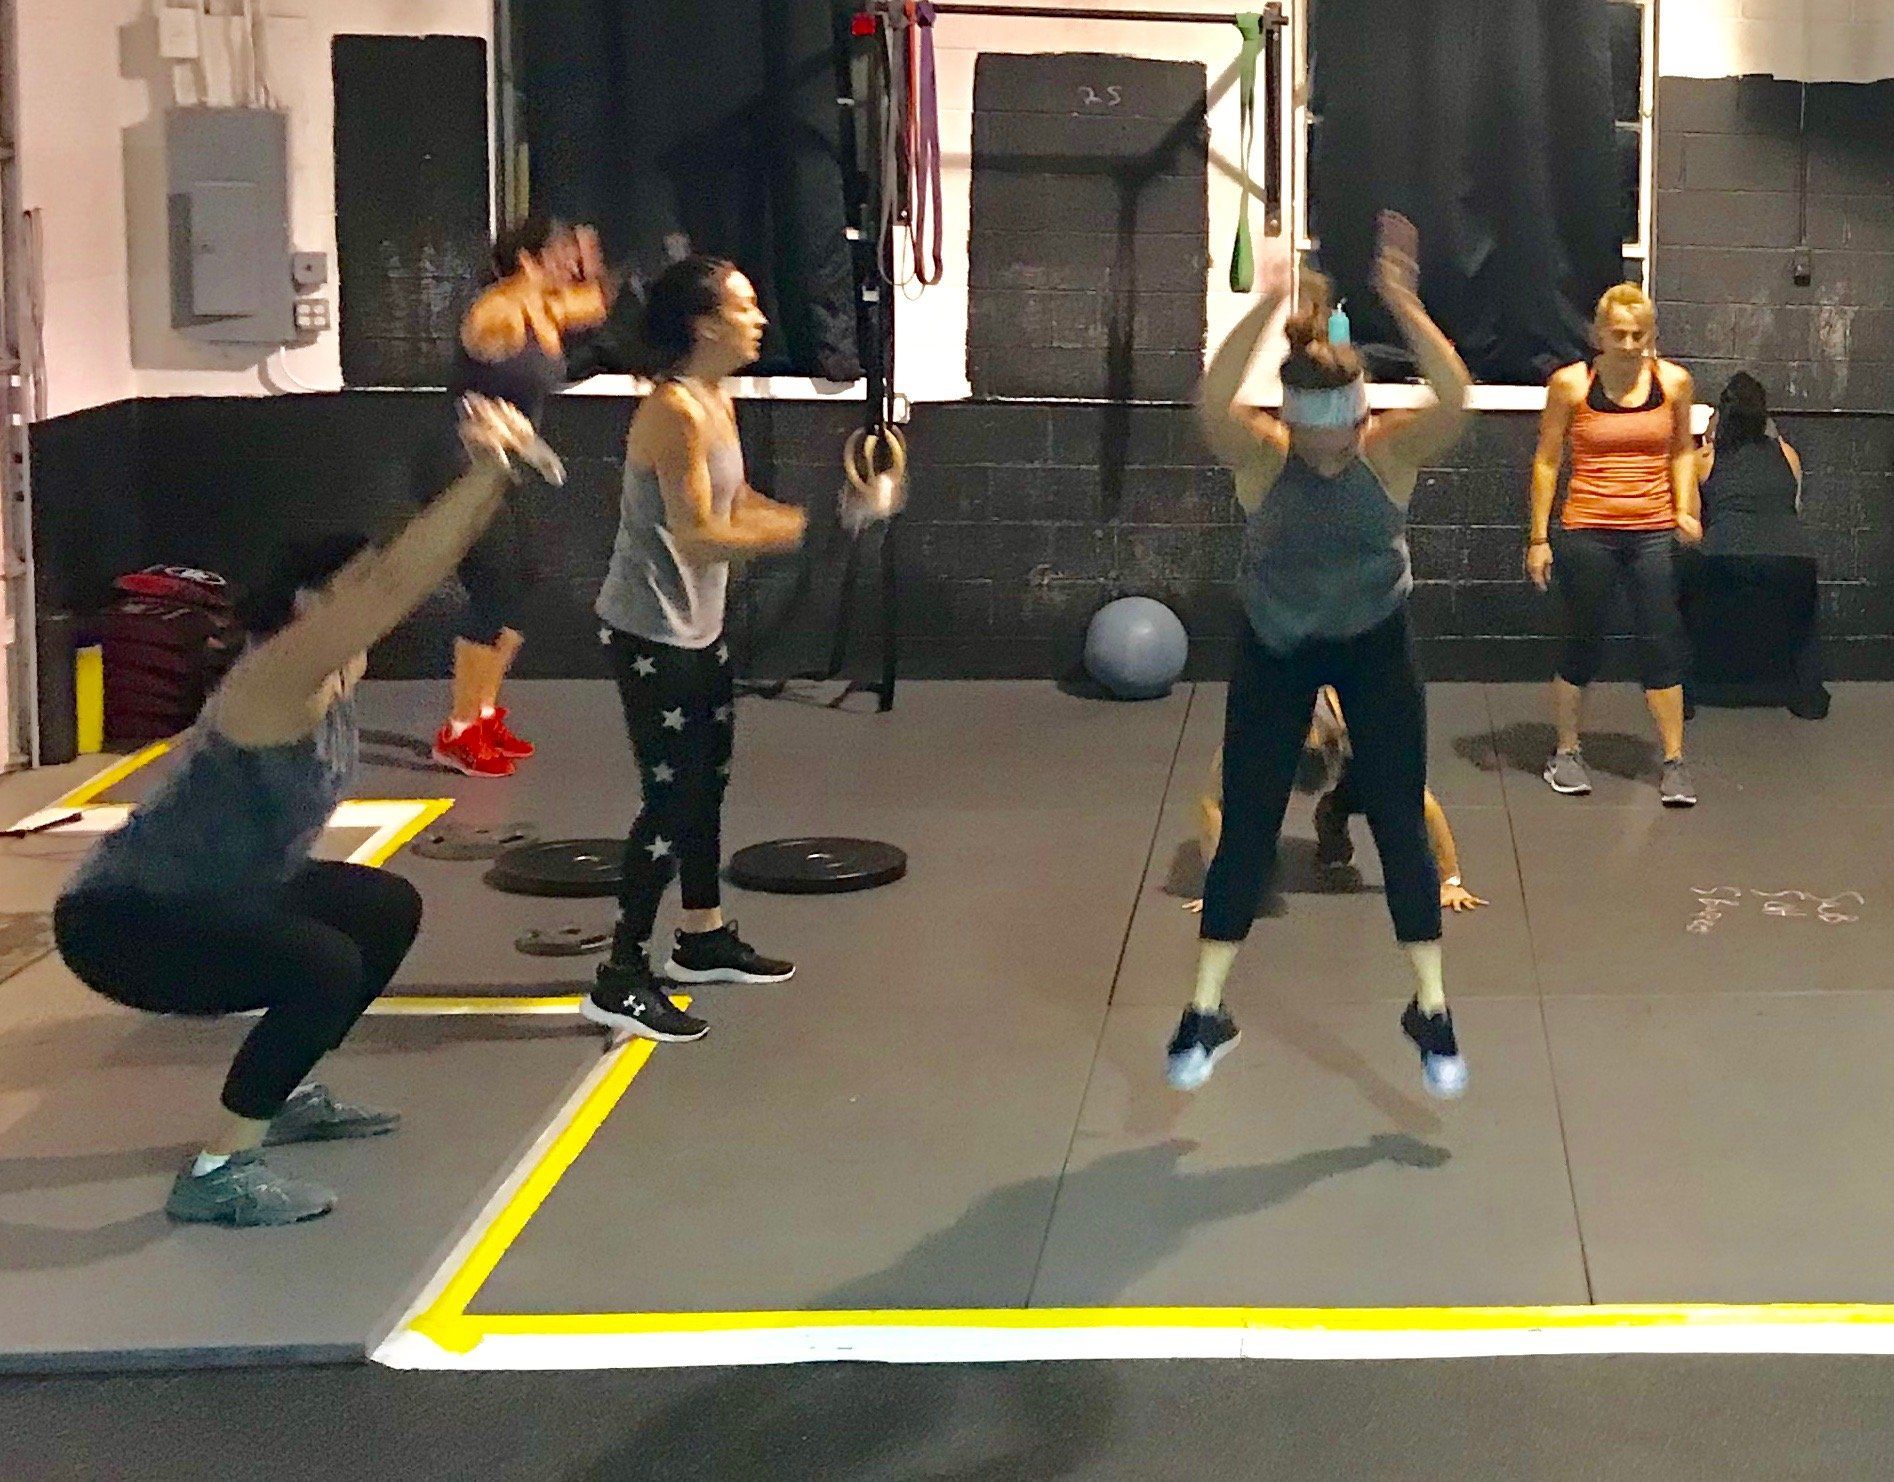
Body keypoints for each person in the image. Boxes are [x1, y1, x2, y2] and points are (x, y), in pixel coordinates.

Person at [53, 397, 556, 1227]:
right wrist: (487, 471)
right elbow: (401, 579)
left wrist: (491, 494)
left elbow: (406, 576)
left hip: (228, 892)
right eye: (356, 589)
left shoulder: (335, 674)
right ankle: (217, 1171)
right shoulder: (274, 680)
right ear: (305, 607)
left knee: (383, 906)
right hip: (127, 922)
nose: (382, 598)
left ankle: (276, 1095)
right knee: (323, 962)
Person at [1169, 211, 1473, 1095]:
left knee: (1400, 820)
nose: (1324, 446)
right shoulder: (1265, 457)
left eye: (1336, 428)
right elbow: (1208, 400)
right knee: (1248, 828)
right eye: (1309, 428)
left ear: (1360, 414)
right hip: (1276, 646)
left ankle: (1432, 1008)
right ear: (1292, 418)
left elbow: (1452, 394)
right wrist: (1267, 306)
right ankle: (1205, 1010)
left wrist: (1403, 304)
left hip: (1375, 643)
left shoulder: (1388, 453)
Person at [583, 256, 809, 1046]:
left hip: (697, 629)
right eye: (745, 308)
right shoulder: (674, 411)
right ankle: (618, 977)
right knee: (668, 800)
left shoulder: (718, 396)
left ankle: (701, 936)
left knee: (706, 782)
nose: (760, 320)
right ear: (706, 324)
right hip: (651, 632)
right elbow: (700, 536)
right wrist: (805, 532)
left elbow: (735, 501)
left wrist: (798, 516)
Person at [425, 217, 612, 778]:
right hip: (461, 461)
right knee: (494, 584)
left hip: (504, 465)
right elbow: (480, 343)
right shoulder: (497, 311)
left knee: (523, 580)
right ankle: (457, 732)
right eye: (557, 255)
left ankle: (483, 714)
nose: (567, 266)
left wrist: (592, 258)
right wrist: (483, 410)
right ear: (528, 260)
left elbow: (598, 304)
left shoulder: (545, 309)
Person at [1526, 284, 1702, 806]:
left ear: (1651, 335)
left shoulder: (1673, 383)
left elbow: (1681, 451)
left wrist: (1685, 507)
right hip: (1587, 528)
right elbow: (1547, 462)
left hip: (1652, 530)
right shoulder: (1571, 386)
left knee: (1662, 643)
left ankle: (1673, 761)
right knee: (1582, 640)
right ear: (1598, 334)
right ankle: (1566, 751)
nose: (1628, 345)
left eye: (1638, 335)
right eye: (1618, 334)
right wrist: (1539, 537)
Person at [1191, 687, 1488, 917]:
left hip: (1347, 753)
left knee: (1382, 792)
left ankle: (1333, 812)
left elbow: (1421, 801)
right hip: (1275, 765)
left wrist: (1449, 881)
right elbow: (1212, 804)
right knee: (1250, 825)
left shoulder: (1360, 731)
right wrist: (1220, 886)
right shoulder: (1255, 734)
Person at [1679, 371, 1829, 719]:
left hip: (1725, 560)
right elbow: (1793, 508)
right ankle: (1808, 695)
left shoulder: (1704, 460)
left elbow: (1692, 527)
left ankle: (1683, 693)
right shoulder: (1787, 454)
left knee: (1674, 583)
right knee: (1804, 612)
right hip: (1792, 563)